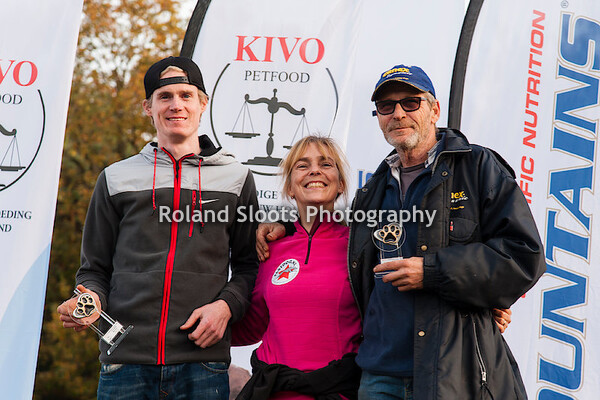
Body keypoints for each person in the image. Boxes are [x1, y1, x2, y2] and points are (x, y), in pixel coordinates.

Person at [256, 64, 545, 399]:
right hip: (379, 376)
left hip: (452, 372)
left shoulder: (477, 168)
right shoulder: (372, 192)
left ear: (434, 110)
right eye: (386, 106)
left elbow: (523, 255)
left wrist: (435, 272)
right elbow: (344, 266)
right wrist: (285, 227)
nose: (398, 113)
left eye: (410, 102)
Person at [57, 56, 259, 400]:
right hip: (125, 364)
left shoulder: (237, 179)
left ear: (203, 104)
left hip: (203, 365)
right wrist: (88, 299)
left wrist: (226, 306)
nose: (176, 104)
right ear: (147, 108)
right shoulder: (115, 178)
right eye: (165, 96)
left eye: (186, 95)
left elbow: (248, 266)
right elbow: (94, 270)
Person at [232, 136, 363, 399]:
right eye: (302, 166)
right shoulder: (269, 247)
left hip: (337, 392)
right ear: (290, 187)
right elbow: (252, 326)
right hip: (275, 392)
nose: (314, 170)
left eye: (326, 164)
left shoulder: (359, 247)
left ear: (340, 184)